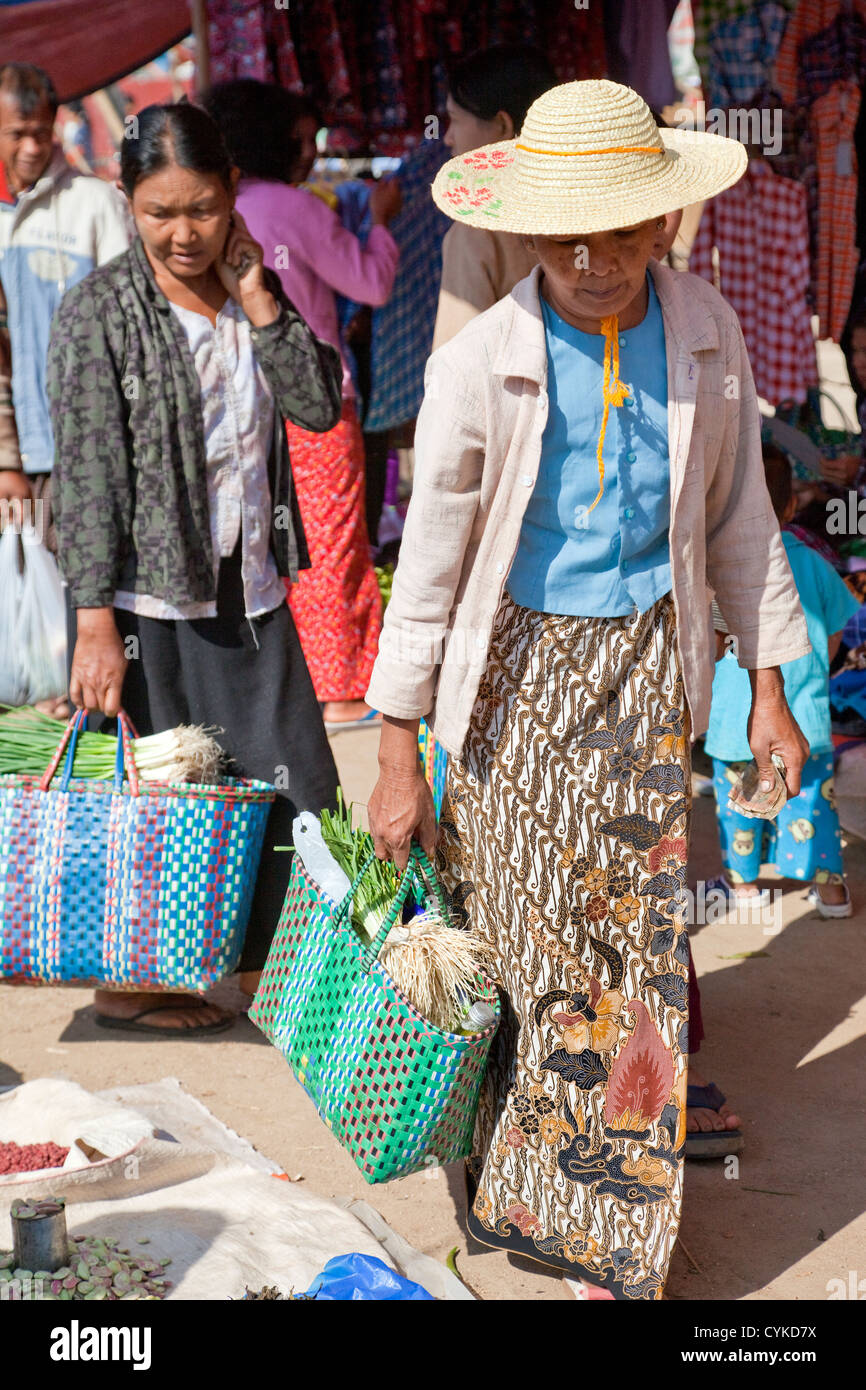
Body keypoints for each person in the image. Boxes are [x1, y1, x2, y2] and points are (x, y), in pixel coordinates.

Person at [366, 80, 811, 1300]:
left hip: (640, 676)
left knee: (636, 950)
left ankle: (612, 1241)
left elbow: (739, 524)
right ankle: (547, 1202)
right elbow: (430, 570)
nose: (593, 259)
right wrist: (397, 748)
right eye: (568, 234)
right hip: (510, 678)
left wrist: (769, 687)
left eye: (620, 231)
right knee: (533, 944)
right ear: (527, 230)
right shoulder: (478, 362)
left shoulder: (707, 334)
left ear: (662, 220)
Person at [46, 102, 343, 1034]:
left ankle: (288, 970)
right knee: (162, 805)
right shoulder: (99, 311)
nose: (183, 233)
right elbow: (88, 476)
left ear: (233, 201)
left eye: (203, 209)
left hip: (249, 583)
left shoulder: (252, 291)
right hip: (146, 604)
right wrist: (95, 624)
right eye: (159, 211)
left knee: (297, 789)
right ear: (125, 200)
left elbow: (320, 405)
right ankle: (138, 984)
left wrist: (261, 300)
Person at [205, 80, 401, 732]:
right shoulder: (295, 208)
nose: (313, 151)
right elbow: (370, 282)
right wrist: (381, 222)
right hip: (313, 400)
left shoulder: (217, 209)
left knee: (273, 544)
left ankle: (307, 682)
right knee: (331, 542)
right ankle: (341, 689)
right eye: (306, 138)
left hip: (239, 405)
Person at [705, 445, 860, 918]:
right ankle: (831, 894)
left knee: (740, 806)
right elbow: (836, 631)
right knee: (814, 806)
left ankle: (747, 889)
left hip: (735, 721)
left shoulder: (716, 566)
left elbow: (708, 642)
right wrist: (812, 667)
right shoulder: (813, 563)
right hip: (805, 718)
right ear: (792, 506)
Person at [0, 63, 129, 545]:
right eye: (16, 134)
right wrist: (6, 460)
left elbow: (126, 327)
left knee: (83, 599)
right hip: (16, 458)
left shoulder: (96, 204)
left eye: (40, 133)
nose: (31, 148)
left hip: (88, 452)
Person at [431, 44, 555, 350]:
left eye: (455, 120)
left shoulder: (477, 232)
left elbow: (456, 368)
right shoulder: (592, 208)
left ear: (502, 125)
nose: (447, 137)